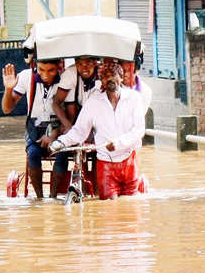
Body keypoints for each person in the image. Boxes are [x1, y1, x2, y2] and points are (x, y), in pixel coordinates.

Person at [50, 61, 146, 200]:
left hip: (130, 161)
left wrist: (118, 143)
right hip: (106, 163)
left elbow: (139, 130)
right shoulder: (93, 102)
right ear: (101, 80)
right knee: (109, 206)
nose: (110, 79)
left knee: (130, 206)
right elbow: (79, 131)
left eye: (113, 74)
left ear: (120, 76)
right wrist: (61, 142)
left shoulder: (134, 98)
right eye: (105, 76)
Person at [2, 59, 68, 198]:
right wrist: (8, 89)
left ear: (59, 68)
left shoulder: (66, 79)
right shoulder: (26, 77)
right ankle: (39, 198)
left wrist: (53, 135)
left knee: (63, 155)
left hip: (59, 128)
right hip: (34, 128)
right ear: (35, 66)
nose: (45, 75)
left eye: (51, 70)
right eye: (41, 70)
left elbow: (71, 115)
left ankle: (53, 197)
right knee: (33, 153)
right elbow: (7, 109)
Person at [52, 56, 100, 132]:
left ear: (95, 63)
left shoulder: (102, 74)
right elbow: (56, 103)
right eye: (80, 64)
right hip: (76, 113)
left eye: (88, 63)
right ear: (75, 64)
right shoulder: (70, 73)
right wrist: (68, 126)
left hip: (97, 115)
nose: (84, 68)